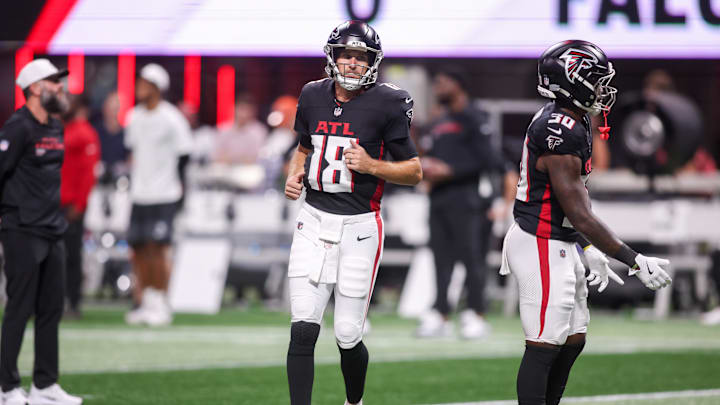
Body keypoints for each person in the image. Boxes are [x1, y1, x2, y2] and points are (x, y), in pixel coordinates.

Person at [499, 40, 673, 405]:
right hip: (541, 241)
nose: (602, 88)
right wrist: (633, 259)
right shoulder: (560, 128)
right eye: (595, 80)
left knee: (574, 337)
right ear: (573, 81)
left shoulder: (573, 119)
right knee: (545, 343)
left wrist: (588, 245)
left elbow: (574, 204)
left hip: (559, 239)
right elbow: (578, 211)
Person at [284, 20, 422, 405]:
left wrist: (373, 165)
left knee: (347, 333)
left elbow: (414, 171)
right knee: (303, 327)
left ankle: (354, 401)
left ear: (372, 62)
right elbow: (303, 148)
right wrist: (294, 176)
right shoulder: (312, 94)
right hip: (312, 219)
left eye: (360, 57)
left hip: (359, 227)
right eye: (345, 54)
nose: (352, 63)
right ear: (332, 57)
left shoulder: (388, 101)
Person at [0, 59, 83, 405]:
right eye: (53, 82)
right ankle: (6, 388)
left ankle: (45, 385)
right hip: (21, 229)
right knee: (19, 308)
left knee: (52, 309)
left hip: (52, 229)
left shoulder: (55, 126)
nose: (60, 88)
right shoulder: (16, 128)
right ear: (34, 88)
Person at [415, 68, 510, 339]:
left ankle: (475, 313)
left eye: (443, 82)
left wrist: (451, 170)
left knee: (472, 258)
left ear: (459, 85)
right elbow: (431, 154)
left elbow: (489, 160)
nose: (438, 88)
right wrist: (429, 167)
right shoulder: (438, 121)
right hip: (439, 197)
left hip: (468, 198)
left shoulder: (474, 117)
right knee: (440, 258)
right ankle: (440, 313)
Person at [123, 64, 193, 326]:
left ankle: (161, 302)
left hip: (165, 194)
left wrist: (179, 194)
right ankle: (146, 300)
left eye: (145, 83)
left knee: (158, 249)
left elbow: (184, 155)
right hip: (139, 194)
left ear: (157, 88)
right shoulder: (133, 117)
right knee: (139, 248)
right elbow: (132, 152)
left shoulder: (172, 118)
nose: (140, 87)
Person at [60, 94, 100, 318]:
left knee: (72, 255)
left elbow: (89, 173)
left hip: (71, 205)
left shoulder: (84, 132)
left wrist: (80, 203)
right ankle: (49, 302)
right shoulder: (56, 129)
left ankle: (73, 303)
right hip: (51, 203)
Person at [212, 93, 268, 165]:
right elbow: (215, 156)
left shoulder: (260, 131)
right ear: (234, 108)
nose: (244, 114)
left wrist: (232, 159)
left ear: (253, 112)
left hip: (250, 172)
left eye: (248, 110)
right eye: (242, 109)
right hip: (224, 171)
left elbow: (258, 157)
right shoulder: (222, 130)